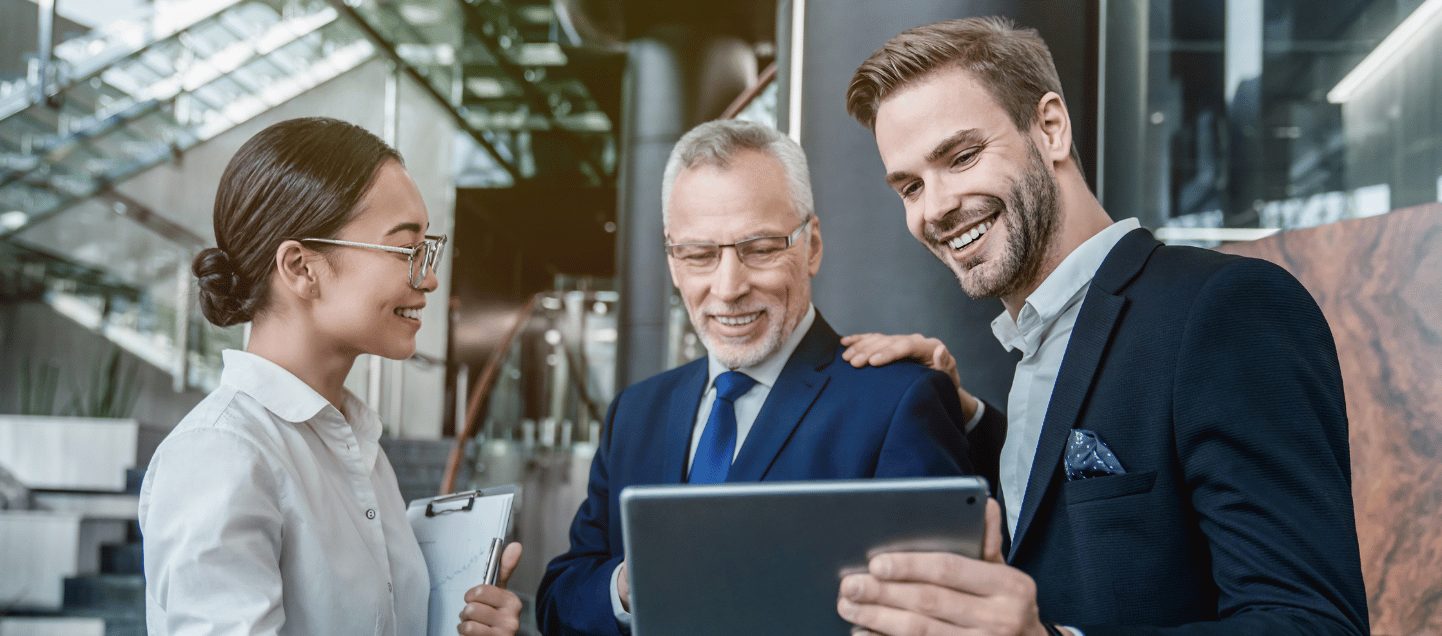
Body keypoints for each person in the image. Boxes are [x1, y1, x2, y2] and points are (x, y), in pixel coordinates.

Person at [833, 17, 1368, 635]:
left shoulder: (1227, 307)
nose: (936, 206)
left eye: (962, 156)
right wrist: (971, 420)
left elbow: (1313, 624)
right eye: (910, 186)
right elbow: (1070, 531)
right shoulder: (1037, 343)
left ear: (1051, 128)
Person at [529, 119, 973, 635]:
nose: (728, 286)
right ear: (673, 262)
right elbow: (559, 603)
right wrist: (633, 583)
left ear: (811, 247)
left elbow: (938, 614)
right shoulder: (637, 412)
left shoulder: (899, 402)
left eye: (759, 248)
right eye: (698, 254)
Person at [138, 117, 522, 635]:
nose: (429, 278)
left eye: (427, 250)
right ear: (300, 267)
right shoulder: (223, 454)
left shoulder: (355, 445)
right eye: (407, 249)